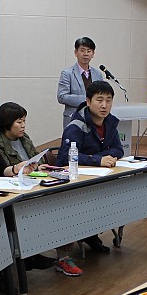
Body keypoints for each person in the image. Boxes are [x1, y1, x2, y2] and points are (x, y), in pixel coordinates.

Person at [0, 102, 83, 276]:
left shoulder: (24, 138)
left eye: (24, 121)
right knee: (52, 211)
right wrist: (25, 170)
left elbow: (38, 159)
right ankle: (33, 255)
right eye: (19, 122)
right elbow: (4, 171)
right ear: (7, 123)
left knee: (63, 205)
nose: (23, 125)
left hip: (36, 185)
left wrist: (39, 166)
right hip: (18, 192)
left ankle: (62, 257)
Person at [57, 80, 124, 253]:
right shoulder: (76, 126)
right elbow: (65, 157)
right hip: (74, 183)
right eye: (99, 100)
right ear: (88, 101)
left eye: (108, 100)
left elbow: (118, 149)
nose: (104, 105)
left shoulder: (110, 123)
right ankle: (86, 233)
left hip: (98, 180)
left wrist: (101, 158)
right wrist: (98, 160)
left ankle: (91, 232)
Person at [57, 37, 104, 129]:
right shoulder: (67, 73)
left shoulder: (98, 74)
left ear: (93, 54)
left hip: (94, 119)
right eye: (82, 50)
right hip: (73, 118)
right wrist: (87, 100)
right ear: (76, 52)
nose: (85, 54)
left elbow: (101, 95)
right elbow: (62, 96)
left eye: (89, 51)